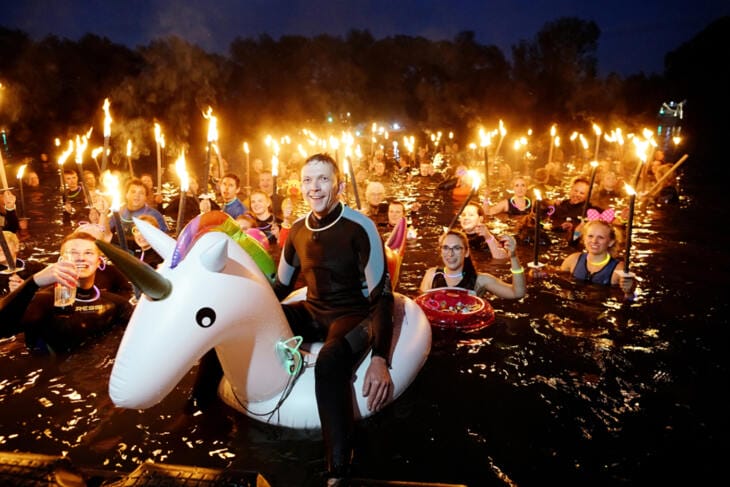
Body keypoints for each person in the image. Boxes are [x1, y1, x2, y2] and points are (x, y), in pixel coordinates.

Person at [275, 153, 394, 482]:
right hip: (314, 311)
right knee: (258, 319)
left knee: (329, 360)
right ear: (300, 187)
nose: (314, 187)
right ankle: (196, 409)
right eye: (308, 180)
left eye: (323, 179)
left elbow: (382, 295)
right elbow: (281, 287)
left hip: (353, 315)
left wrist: (381, 358)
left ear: (338, 185)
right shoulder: (297, 230)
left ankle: (338, 472)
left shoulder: (360, 227)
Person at [0, 231, 133, 354]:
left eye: (88, 253)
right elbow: (4, 329)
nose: (81, 258)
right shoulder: (42, 302)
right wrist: (33, 283)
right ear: (62, 260)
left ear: (99, 262)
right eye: (73, 253)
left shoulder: (116, 304)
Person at [530, 219, 636, 294]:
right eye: (590, 236)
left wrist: (630, 292)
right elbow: (557, 274)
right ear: (584, 238)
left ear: (610, 242)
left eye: (601, 237)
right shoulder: (573, 259)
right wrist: (540, 273)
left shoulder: (618, 269)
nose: (594, 241)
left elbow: (631, 300)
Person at [419, 229, 526, 299]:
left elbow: (517, 293)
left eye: (456, 248)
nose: (450, 254)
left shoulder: (480, 280)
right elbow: (420, 306)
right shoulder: (431, 275)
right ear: (441, 251)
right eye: (446, 248)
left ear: (466, 252)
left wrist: (513, 256)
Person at [116, 178, 169, 250]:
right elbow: (104, 232)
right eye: (133, 192)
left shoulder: (154, 215)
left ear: (145, 197)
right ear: (126, 194)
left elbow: (164, 240)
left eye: (141, 193)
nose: (136, 195)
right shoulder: (118, 212)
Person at [0, 230, 47, 296]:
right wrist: (10, 295)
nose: (0, 248)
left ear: (16, 247)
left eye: (4, 244)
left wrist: (26, 289)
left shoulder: (35, 268)